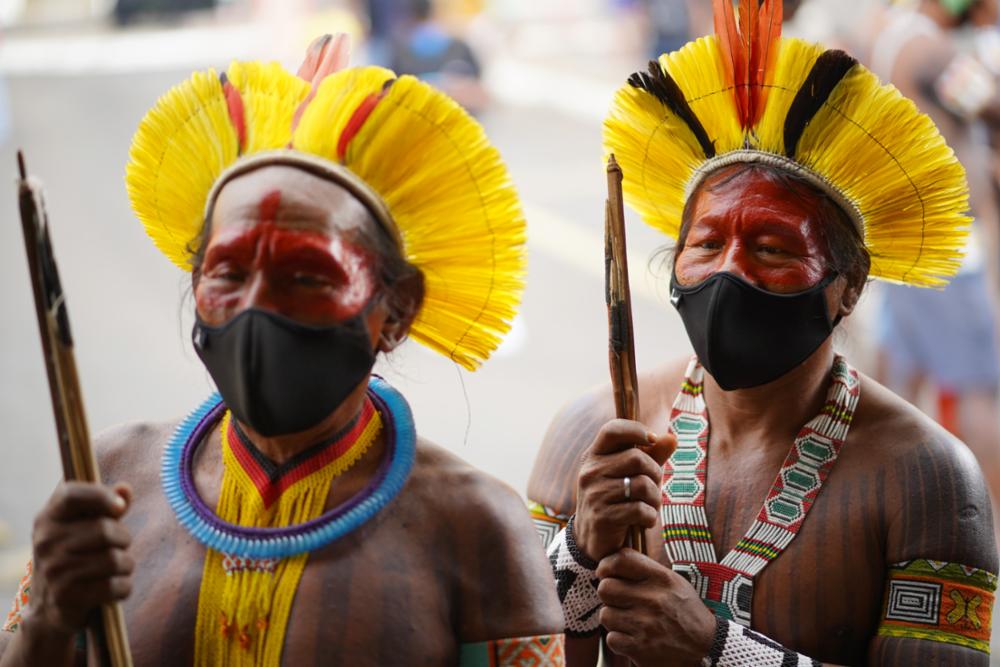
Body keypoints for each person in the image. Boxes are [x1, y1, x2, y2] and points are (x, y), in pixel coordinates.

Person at [0, 35, 564, 666]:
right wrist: (48, 619)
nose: (256, 305)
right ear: (196, 284)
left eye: (308, 276)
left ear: (397, 308)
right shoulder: (110, 478)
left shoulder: (478, 527)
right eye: (229, 272)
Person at [529, 0, 998, 664]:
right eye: (707, 243)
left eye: (774, 249)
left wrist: (718, 647)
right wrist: (577, 550)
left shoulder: (928, 480)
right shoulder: (588, 435)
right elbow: (519, 649)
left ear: (849, 285)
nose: (730, 272)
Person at [866, 0, 1000, 543]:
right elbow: (990, 103)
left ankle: (876, 504)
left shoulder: (888, 35)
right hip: (948, 250)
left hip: (910, 241)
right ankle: (989, 523)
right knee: (980, 390)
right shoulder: (930, 49)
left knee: (897, 378)